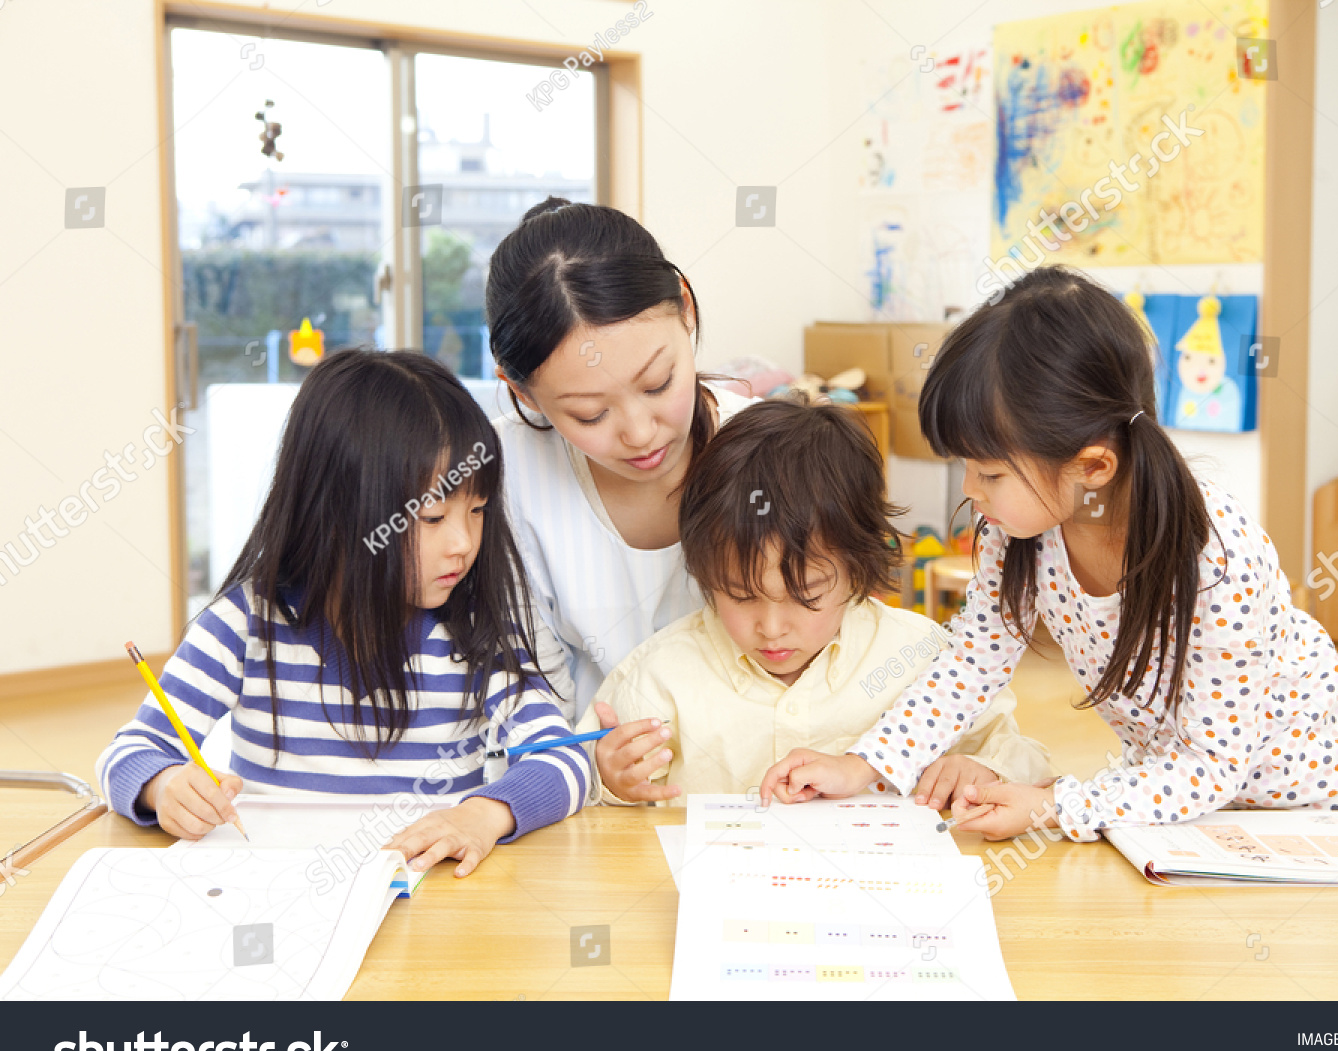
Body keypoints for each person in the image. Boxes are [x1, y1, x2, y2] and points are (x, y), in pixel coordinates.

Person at [760, 266, 1338, 841]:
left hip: (1307, 803)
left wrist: (1053, 805)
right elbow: (969, 664)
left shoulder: (1215, 556)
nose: (972, 494)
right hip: (1170, 803)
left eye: (990, 474)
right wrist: (866, 764)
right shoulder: (1017, 533)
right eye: (966, 470)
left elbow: (1212, 764)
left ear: (1092, 465)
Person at [96, 349, 657, 877]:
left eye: (478, 510)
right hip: (278, 896)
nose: (463, 542)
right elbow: (130, 752)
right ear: (338, 512)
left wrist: (481, 816)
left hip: (425, 900)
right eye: (434, 518)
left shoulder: (479, 633)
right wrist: (164, 785)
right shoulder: (244, 625)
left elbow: (563, 762)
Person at [582, 398, 1050, 807]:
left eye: (805, 597)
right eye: (740, 595)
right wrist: (608, 781)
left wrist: (985, 771)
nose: (770, 627)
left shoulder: (922, 657)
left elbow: (1024, 757)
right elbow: (581, 790)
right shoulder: (660, 678)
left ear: (859, 567)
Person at [485, 198, 756, 711]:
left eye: (658, 384)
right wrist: (590, 763)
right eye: (590, 414)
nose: (638, 433)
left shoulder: (773, 449)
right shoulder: (502, 474)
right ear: (522, 393)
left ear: (686, 309)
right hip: (579, 777)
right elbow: (519, 692)